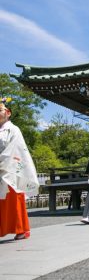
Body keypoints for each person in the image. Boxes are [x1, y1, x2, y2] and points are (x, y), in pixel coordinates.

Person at [0, 98, 39, 240]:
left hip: (10, 169)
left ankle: (20, 229)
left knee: (13, 198)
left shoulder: (14, 129)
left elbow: (14, 150)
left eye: (0, 110)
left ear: (8, 112)